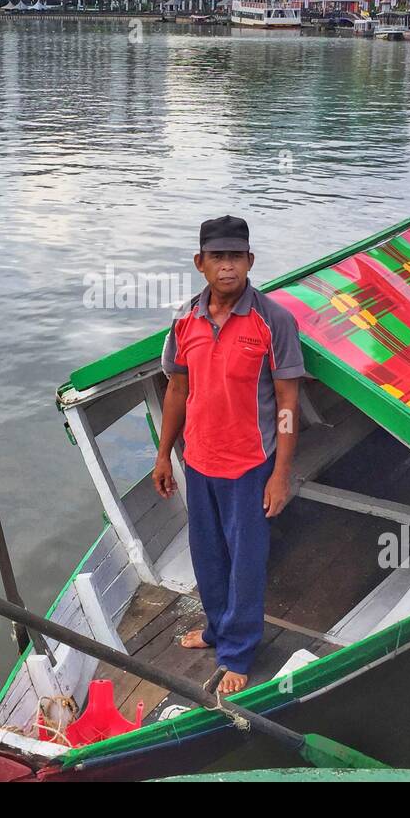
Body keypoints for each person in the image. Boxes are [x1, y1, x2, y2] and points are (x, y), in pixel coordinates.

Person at [153, 215, 304, 695]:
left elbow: (287, 405)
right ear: (200, 263)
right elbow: (176, 389)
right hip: (198, 461)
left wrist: (280, 474)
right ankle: (218, 629)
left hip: (249, 466)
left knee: (245, 561)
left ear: (250, 262)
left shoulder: (273, 321)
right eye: (217, 257)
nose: (227, 267)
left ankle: (238, 652)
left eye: (236, 257)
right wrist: (163, 456)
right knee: (208, 554)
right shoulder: (184, 319)